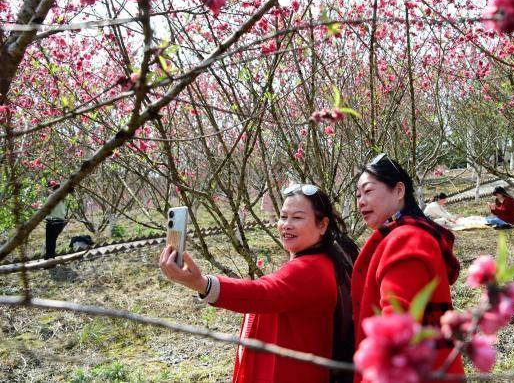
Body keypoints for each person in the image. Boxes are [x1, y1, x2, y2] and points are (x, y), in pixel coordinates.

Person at [159, 184, 359, 383]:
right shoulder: (326, 259)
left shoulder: (309, 269)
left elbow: (263, 293)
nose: (286, 224)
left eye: (297, 218)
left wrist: (202, 284)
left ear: (323, 225)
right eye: (283, 216)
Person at [353, 154, 464, 381]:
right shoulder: (413, 235)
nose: (361, 201)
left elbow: (395, 335)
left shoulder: (406, 240)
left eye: (368, 191)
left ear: (399, 190)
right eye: (358, 194)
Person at [44, 181, 68, 259]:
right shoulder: (63, 198)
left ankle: (49, 259)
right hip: (60, 222)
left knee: (49, 241)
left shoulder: (51, 197)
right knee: (53, 241)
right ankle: (51, 257)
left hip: (52, 221)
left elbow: (45, 209)